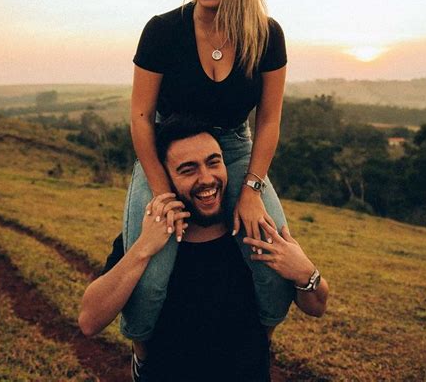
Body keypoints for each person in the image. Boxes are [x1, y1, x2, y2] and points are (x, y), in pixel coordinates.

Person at [123, 0, 294, 346]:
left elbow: (269, 119)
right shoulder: (161, 31)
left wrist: (252, 189)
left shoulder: (267, 35)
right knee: (152, 270)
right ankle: (143, 355)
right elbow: (141, 117)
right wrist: (162, 191)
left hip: (234, 148)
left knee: (272, 258)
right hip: (169, 149)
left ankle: (260, 348)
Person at [79, 116, 329, 382]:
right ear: (165, 178)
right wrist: (143, 249)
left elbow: (317, 307)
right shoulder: (149, 236)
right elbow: (90, 321)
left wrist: (306, 273)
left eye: (213, 162)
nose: (207, 179)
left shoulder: (252, 231)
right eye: (188, 170)